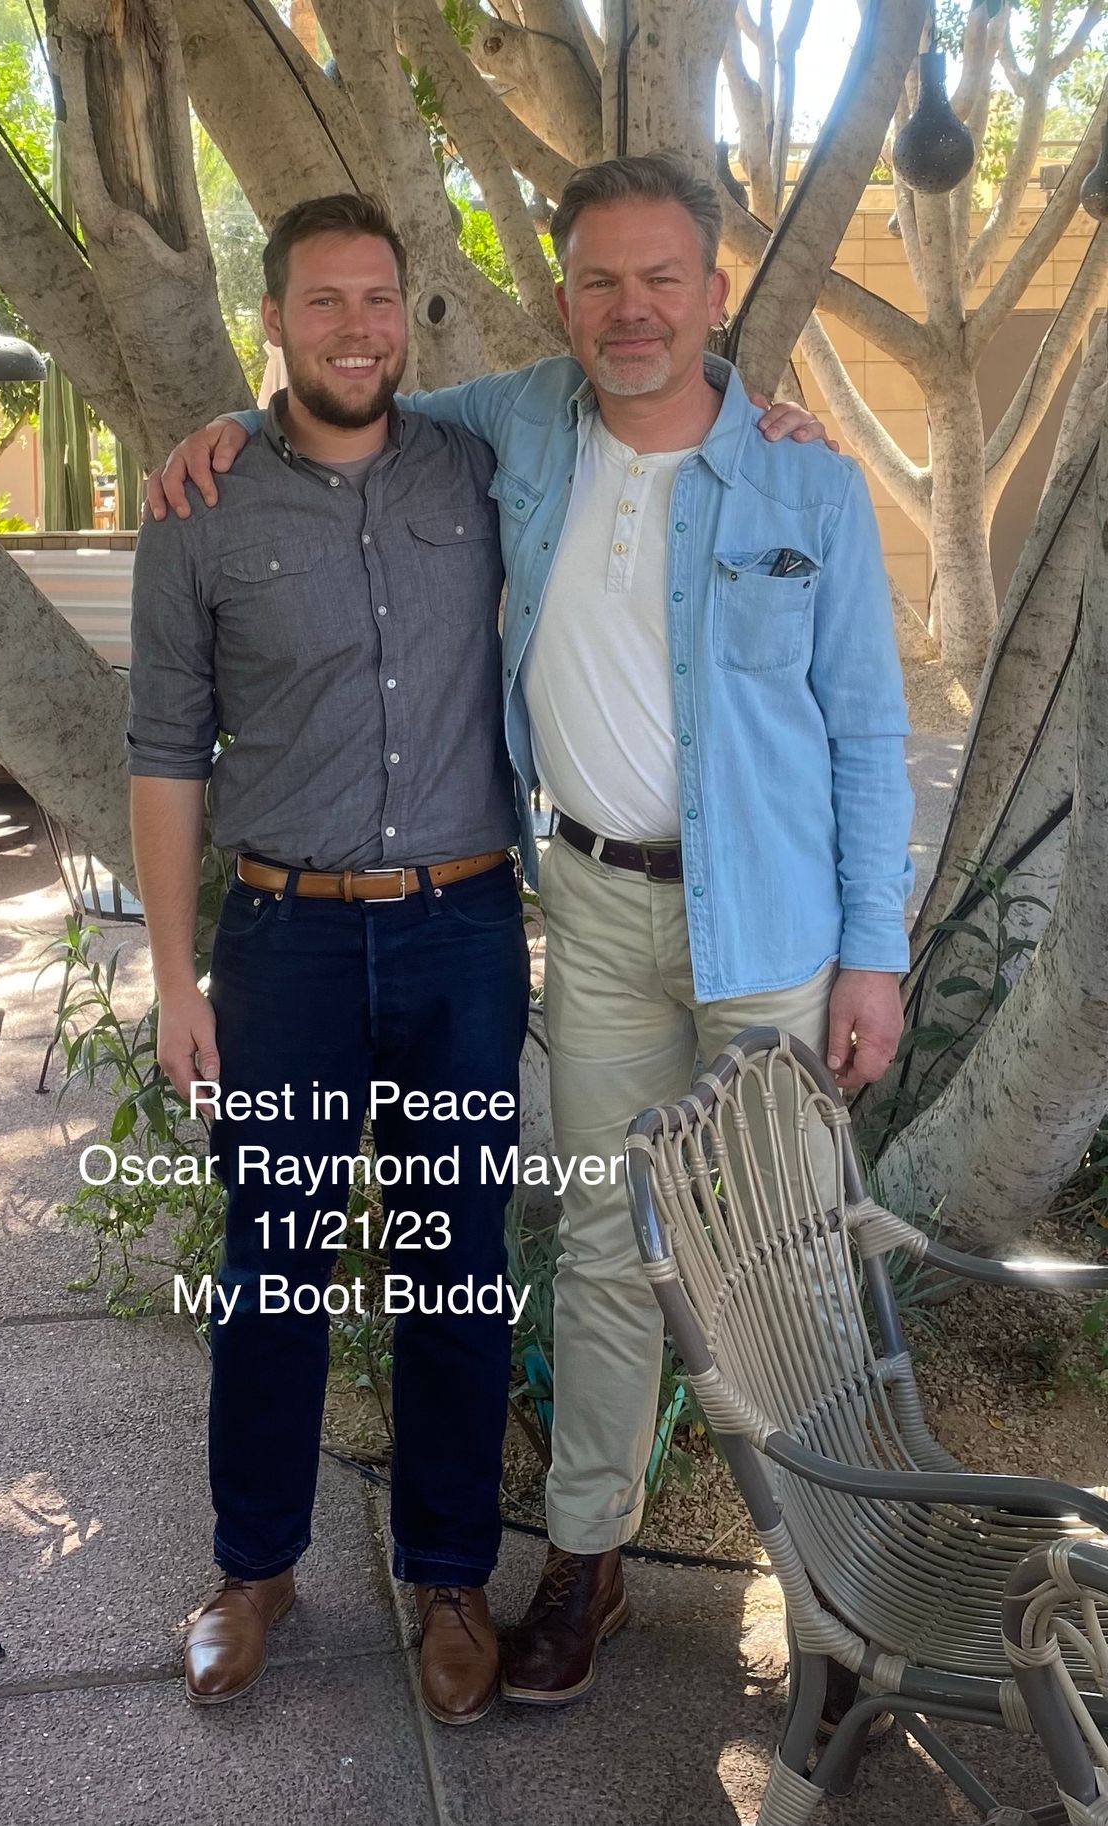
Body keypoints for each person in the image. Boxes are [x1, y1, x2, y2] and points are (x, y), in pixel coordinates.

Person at [144, 157, 877, 1714]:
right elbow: (173, 728)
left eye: (663, 278)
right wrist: (222, 425)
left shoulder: (762, 478)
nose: (632, 310)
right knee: (506, 1259)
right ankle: (451, 1562)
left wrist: (874, 952)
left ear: (714, 292)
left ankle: (779, 1587)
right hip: (474, 919)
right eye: (601, 281)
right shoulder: (498, 431)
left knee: (710, 1265)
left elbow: (868, 732)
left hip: (659, 928)